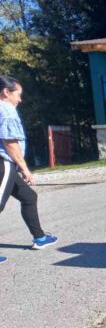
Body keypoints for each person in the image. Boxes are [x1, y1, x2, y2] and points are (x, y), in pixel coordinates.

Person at [0, 75, 59, 263]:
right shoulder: (6, 109)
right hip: (3, 162)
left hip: (7, 162)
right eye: (18, 94)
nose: (20, 99)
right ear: (5, 92)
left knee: (29, 197)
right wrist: (24, 168)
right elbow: (9, 142)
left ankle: (40, 238)